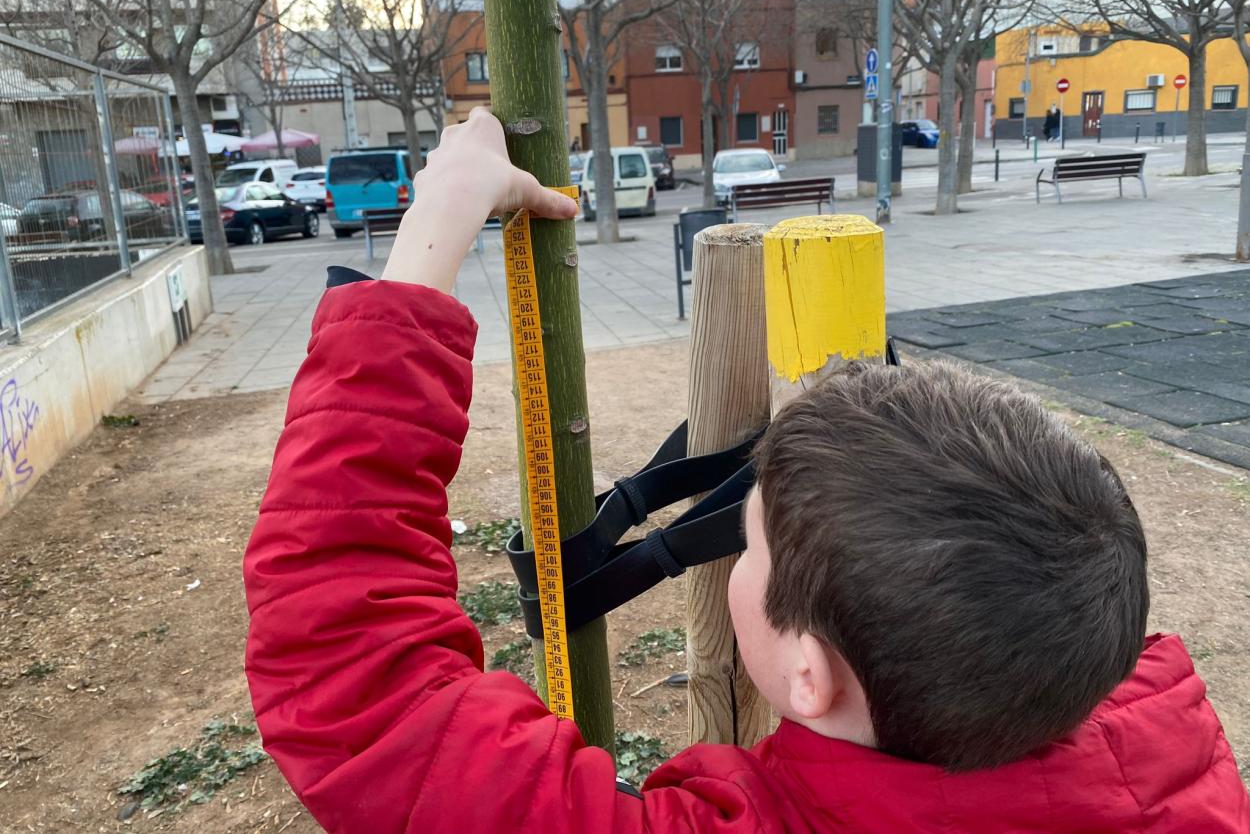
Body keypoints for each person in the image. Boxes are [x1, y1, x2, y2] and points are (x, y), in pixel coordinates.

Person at [243, 108, 1249, 833]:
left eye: (748, 543)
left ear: (806, 676)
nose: (732, 556)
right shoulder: (1159, 760)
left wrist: (434, 229)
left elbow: (351, 675)